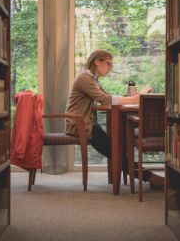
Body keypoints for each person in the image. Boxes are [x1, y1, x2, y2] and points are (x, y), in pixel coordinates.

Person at [65, 49, 154, 183]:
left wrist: (130, 98)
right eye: (108, 64)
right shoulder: (85, 78)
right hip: (79, 126)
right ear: (97, 62)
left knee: (116, 149)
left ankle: (147, 177)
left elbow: (105, 97)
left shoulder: (93, 79)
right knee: (115, 151)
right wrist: (133, 100)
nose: (110, 68)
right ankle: (149, 177)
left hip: (88, 123)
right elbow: (104, 99)